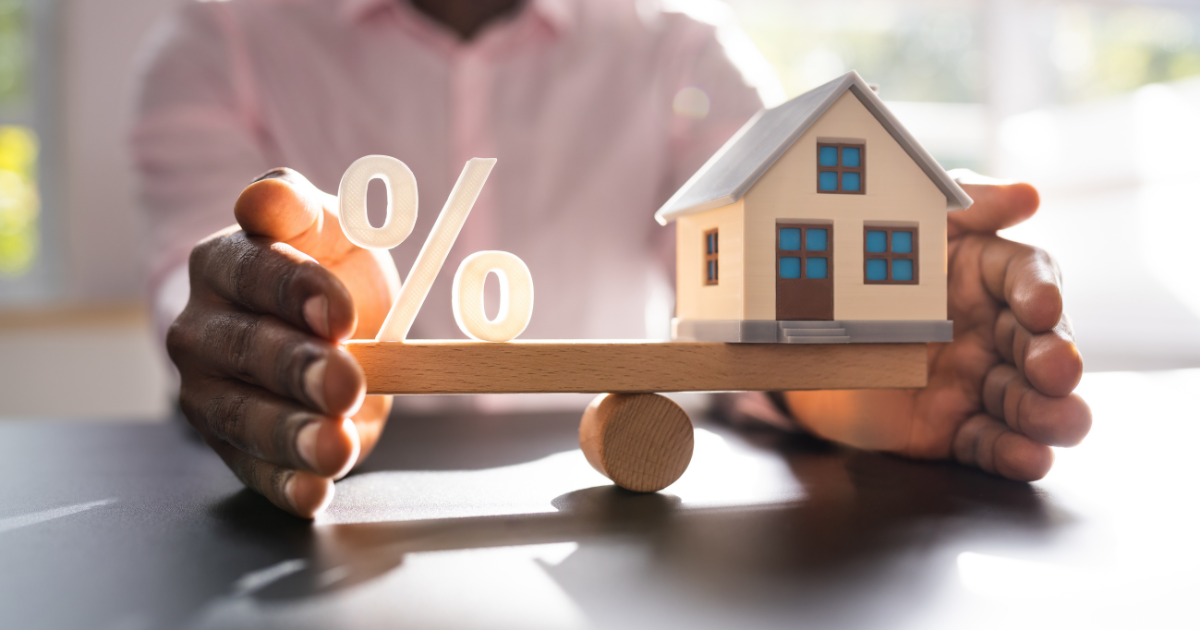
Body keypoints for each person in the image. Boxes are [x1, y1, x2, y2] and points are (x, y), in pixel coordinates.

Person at [137, 0, 1091, 518]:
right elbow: (200, 274)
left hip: (611, 485)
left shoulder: (684, 52)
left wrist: (842, 375)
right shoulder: (220, 33)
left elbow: (734, 273)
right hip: (303, 484)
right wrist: (247, 309)